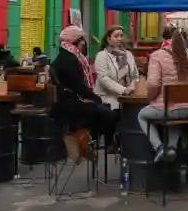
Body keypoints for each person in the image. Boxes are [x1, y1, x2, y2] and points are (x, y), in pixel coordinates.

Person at [139, 29, 188, 163]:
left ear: (168, 41)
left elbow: (153, 84)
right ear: (186, 41)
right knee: (176, 117)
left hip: (165, 109)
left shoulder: (157, 56)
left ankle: (159, 147)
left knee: (142, 115)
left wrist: (150, 98)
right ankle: (172, 148)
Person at [50, 26, 119, 161]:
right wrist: (95, 98)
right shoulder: (69, 60)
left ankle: (85, 139)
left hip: (70, 100)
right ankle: (90, 141)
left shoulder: (66, 56)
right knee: (110, 114)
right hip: (70, 103)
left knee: (105, 110)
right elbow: (78, 86)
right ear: (77, 41)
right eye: (83, 40)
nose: (85, 43)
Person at [94, 25, 141, 113]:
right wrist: (123, 90)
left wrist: (132, 86)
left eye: (121, 36)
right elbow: (104, 79)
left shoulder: (128, 54)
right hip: (107, 99)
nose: (119, 39)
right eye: (116, 36)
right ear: (108, 39)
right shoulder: (102, 55)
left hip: (128, 98)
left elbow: (135, 76)